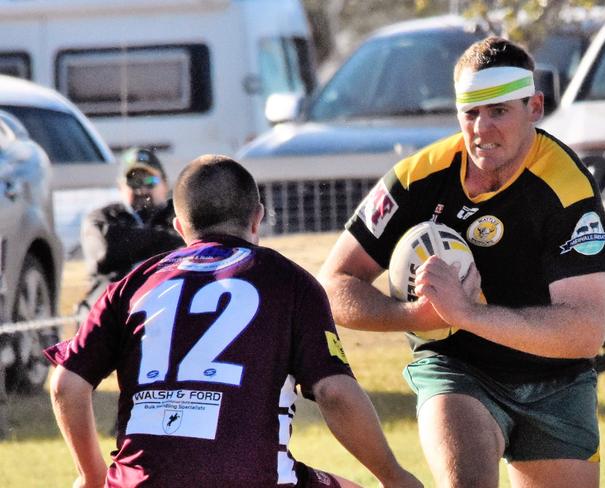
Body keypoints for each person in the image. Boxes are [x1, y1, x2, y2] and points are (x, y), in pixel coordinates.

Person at [318, 36, 605, 488]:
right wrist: (412, 316)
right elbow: (335, 284)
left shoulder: (566, 188)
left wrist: (467, 313)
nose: (481, 129)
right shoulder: (419, 176)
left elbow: (585, 331)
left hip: (555, 377)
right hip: (458, 368)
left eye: (499, 112)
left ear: (534, 107)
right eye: (470, 113)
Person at [45, 154, 422, 488]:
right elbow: (333, 393)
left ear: (180, 228)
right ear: (257, 217)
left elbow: (66, 385)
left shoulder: (135, 284)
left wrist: (91, 477)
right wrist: (393, 476)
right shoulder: (287, 280)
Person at [76, 147, 184, 322]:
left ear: (165, 184)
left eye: (150, 180)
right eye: (133, 181)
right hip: (112, 318)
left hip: (169, 309)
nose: (141, 189)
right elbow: (105, 249)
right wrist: (165, 240)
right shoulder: (103, 217)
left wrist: (135, 242)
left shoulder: (179, 214)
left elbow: (194, 245)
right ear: (120, 186)